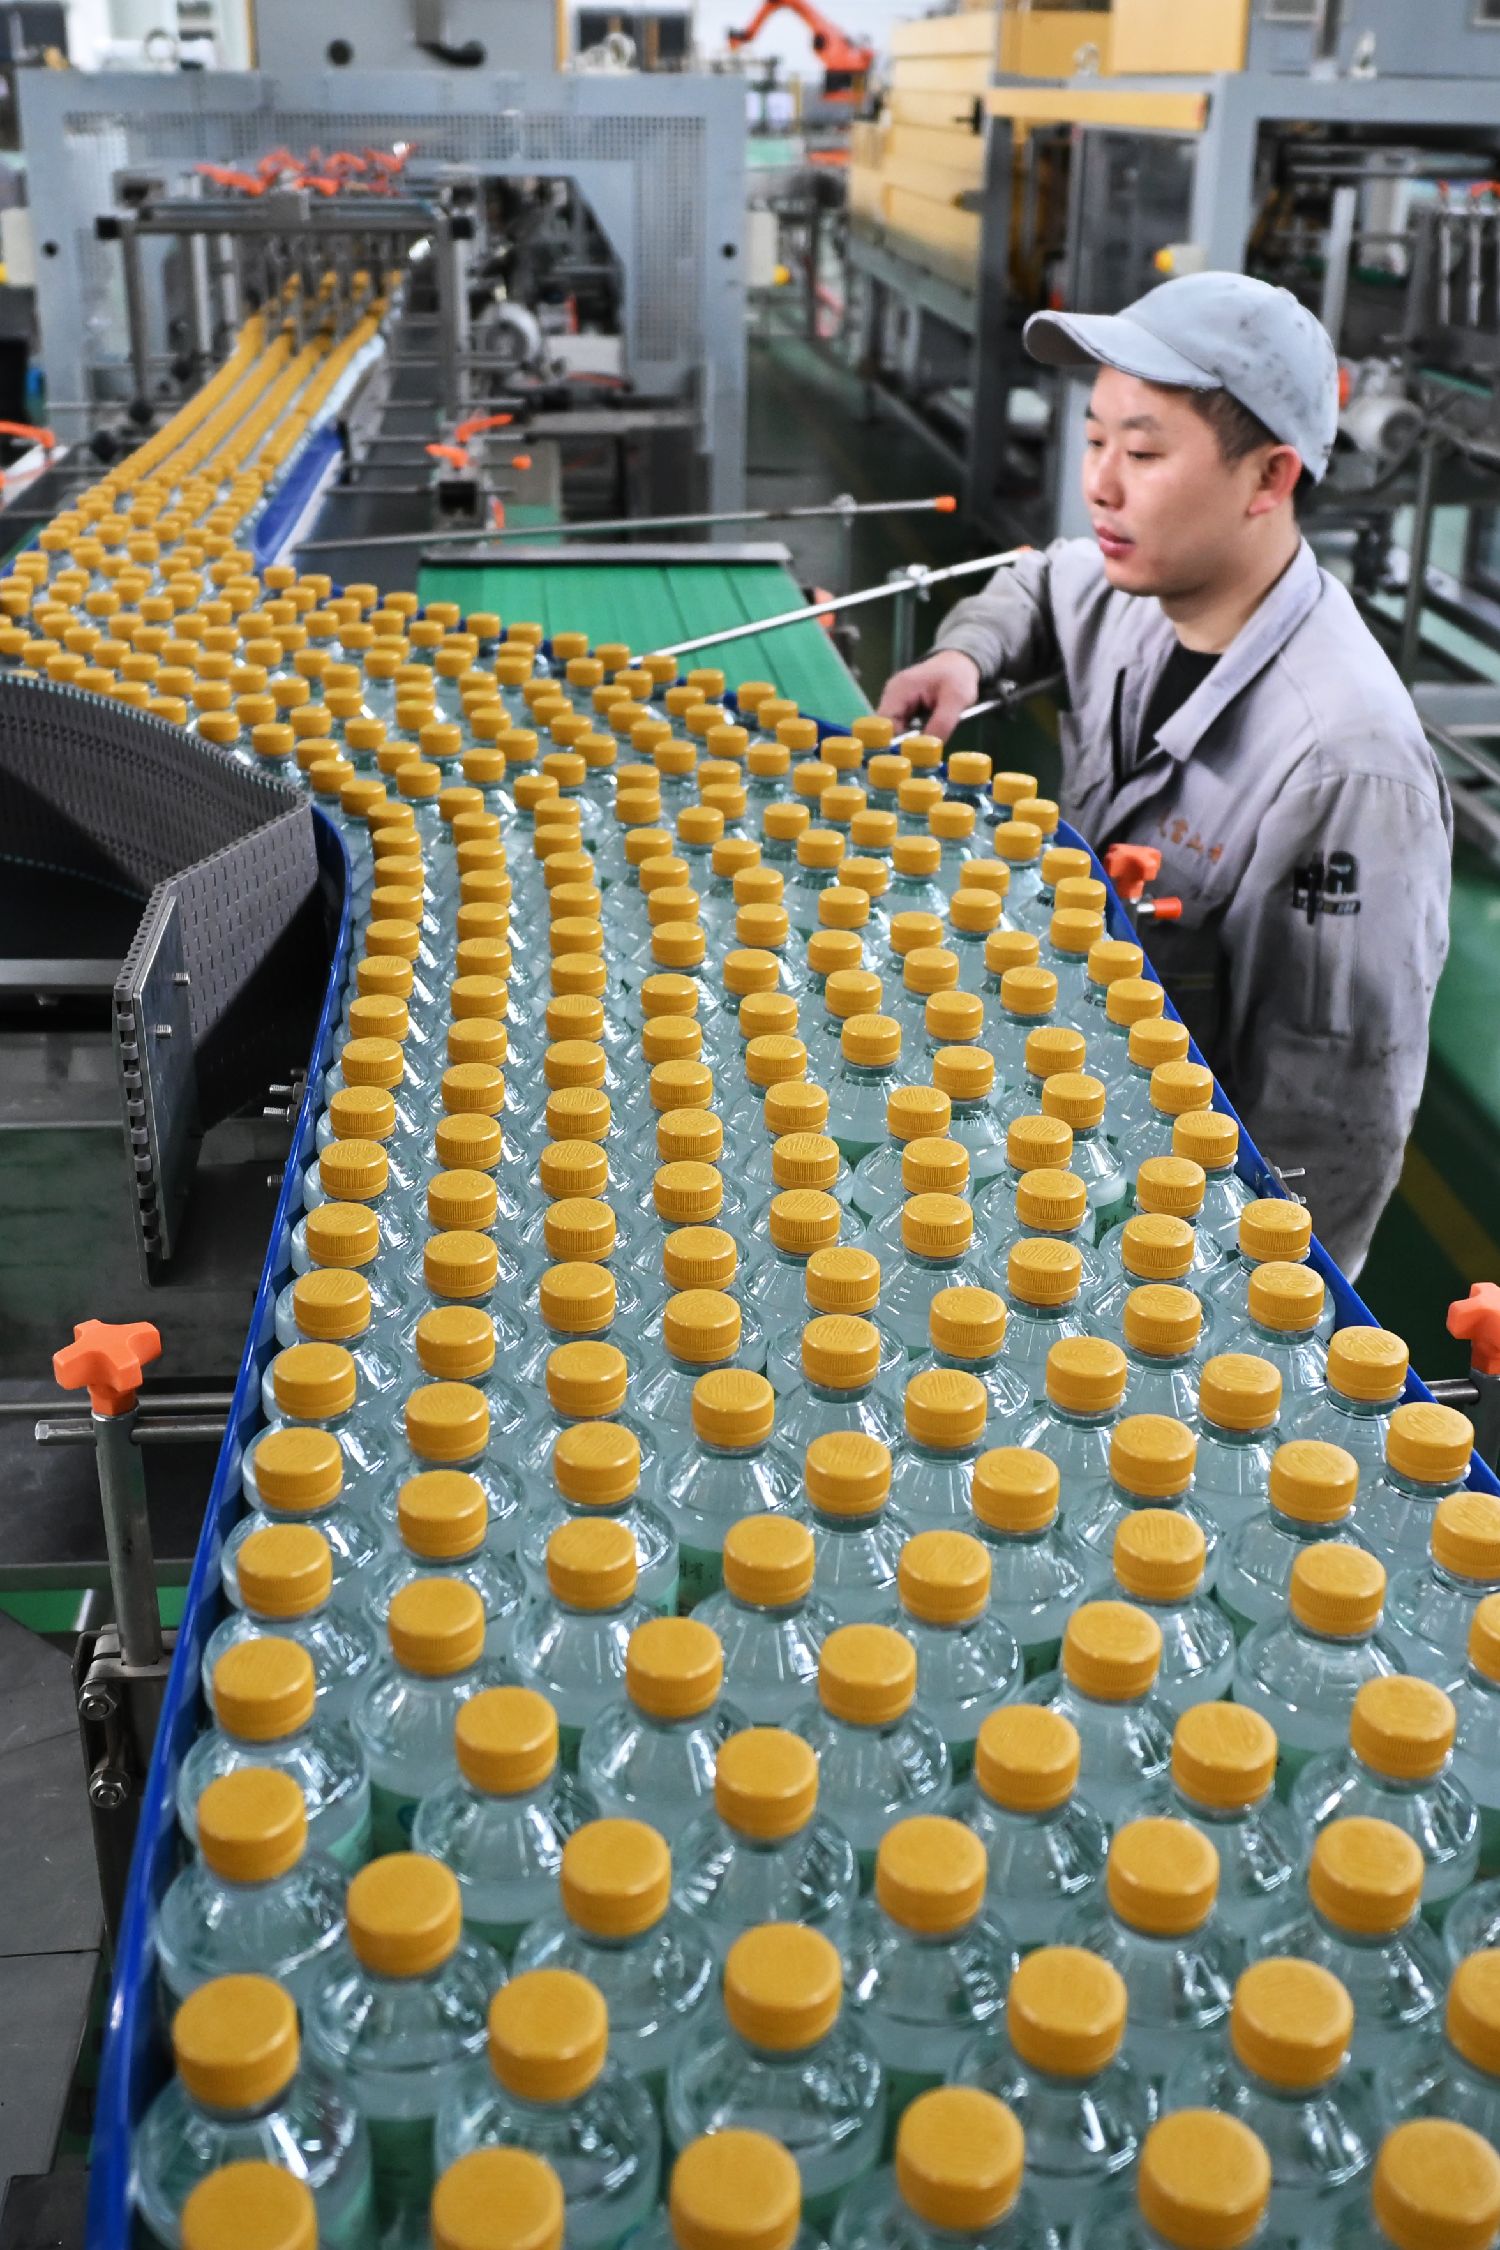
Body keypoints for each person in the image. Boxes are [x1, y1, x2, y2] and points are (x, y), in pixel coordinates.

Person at [878, 270, 1451, 1278]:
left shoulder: (1346, 769)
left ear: (1269, 479)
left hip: (1175, 1250)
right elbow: (1038, 583)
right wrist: (967, 654)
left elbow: (1332, 1122)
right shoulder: (1143, 587)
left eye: (1142, 453)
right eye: (1095, 439)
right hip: (1072, 1139)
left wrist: (1236, 1304)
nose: (1100, 484)